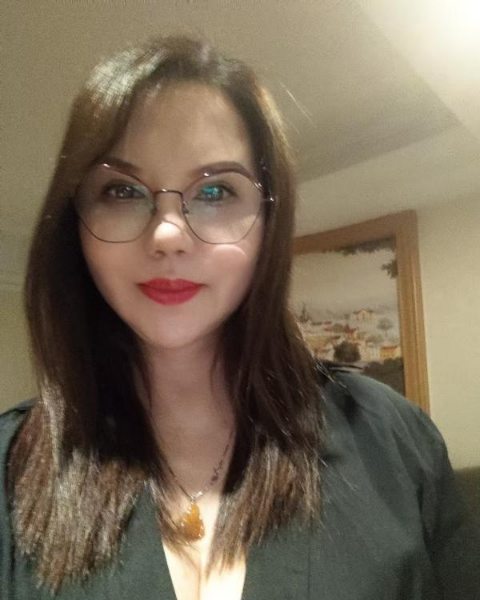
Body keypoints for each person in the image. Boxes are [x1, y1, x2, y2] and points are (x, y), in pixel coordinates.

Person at [0, 35, 478, 600]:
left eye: (216, 192)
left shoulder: (394, 441)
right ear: (74, 223)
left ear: (268, 224)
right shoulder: (10, 469)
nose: (168, 234)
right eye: (122, 190)